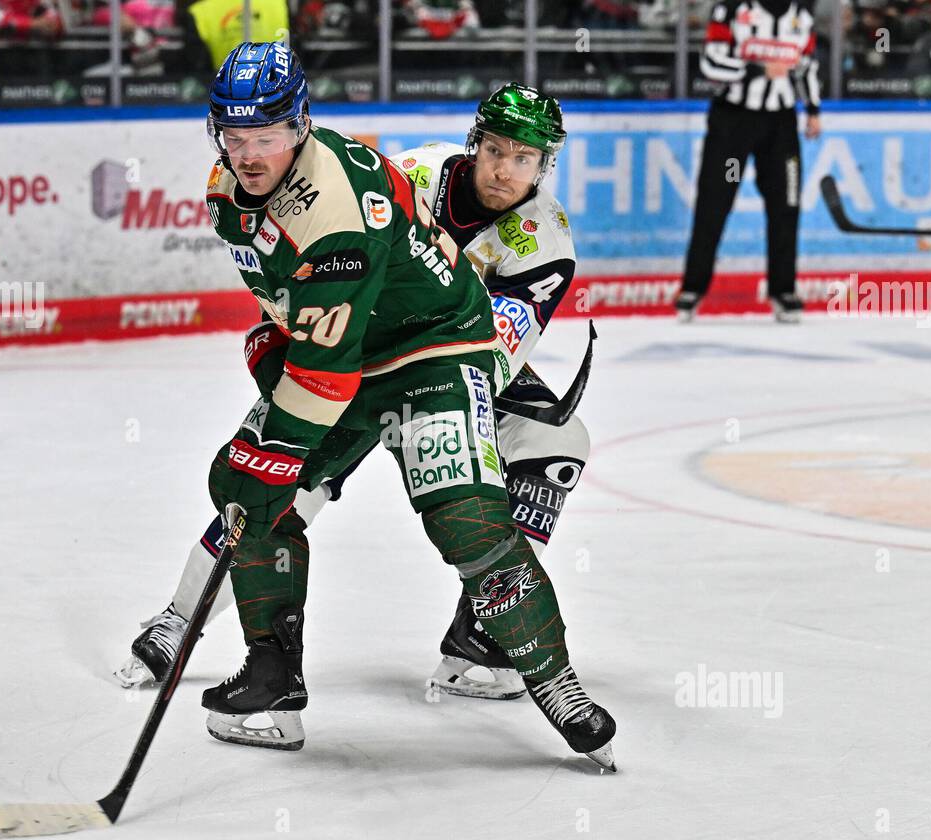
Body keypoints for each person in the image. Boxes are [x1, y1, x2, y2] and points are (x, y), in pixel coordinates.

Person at [127, 43, 617, 769]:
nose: (508, 170)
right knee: (263, 488)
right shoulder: (414, 167)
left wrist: (429, 422)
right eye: (498, 150)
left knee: (546, 456)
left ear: (545, 168)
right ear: (473, 143)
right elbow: (305, 269)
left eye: (527, 159)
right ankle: (180, 623)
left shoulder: (544, 239)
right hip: (348, 348)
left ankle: (494, 642)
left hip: (443, 351)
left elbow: (501, 347)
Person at [674, 0, 821, 324]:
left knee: (787, 203)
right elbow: (711, 64)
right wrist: (756, 68)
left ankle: (784, 290)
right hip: (733, 120)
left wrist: (812, 110)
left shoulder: (801, 13)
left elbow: (807, 65)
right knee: (714, 202)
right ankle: (692, 288)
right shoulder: (729, 9)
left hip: (781, 123)